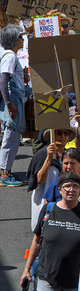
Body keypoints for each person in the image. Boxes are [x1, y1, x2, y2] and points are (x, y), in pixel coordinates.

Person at [0, 24, 28, 186]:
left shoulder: (11, 56)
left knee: (14, 136)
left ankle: (8, 171)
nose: (22, 40)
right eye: (20, 37)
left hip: (15, 97)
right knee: (11, 137)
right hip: (13, 99)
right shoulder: (10, 56)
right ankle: (4, 174)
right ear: (13, 40)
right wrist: (9, 103)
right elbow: (3, 80)